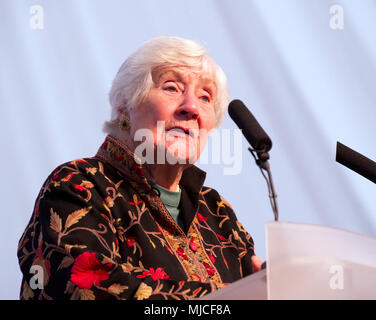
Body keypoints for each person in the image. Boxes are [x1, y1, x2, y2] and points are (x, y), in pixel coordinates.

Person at [17, 36, 262, 300]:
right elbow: (87, 287)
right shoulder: (78, 185)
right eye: (171, 88)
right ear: (125, 106)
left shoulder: (216, 210)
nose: (191, 107)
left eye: (205, 97)